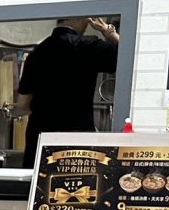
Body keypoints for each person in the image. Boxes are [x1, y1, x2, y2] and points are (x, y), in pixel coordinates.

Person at [16, 17, 119, 168]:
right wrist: (108, 31)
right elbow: (129, 55)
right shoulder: (88, 46)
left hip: (40, 140)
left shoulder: (36, 53)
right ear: (80, 18)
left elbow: (22, 104)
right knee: (74, 181)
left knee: (40, 180)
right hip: (76, 141)